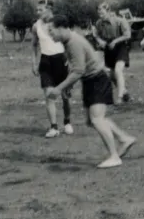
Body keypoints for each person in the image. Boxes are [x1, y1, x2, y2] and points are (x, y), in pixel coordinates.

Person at [46, 14, 136, 169]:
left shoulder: (73, 42)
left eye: (51, 30)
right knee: (92, 120)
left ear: (61, 28)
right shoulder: (68, 41)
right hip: (90, 81)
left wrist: (59, 88)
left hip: (97, 80)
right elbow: (76, 67)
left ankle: (114, 156)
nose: (49, 34)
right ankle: (124, 139)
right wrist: (68, 86)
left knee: (97, 119)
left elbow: (78, 70)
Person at [31, 1, 73, 138]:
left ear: (49, 9)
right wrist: (34, 63)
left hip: (61, 60)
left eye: (40, 9)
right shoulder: (36, 26)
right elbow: (33, 46)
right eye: (37, 10)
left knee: (65, 96)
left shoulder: (59, 22)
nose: (38, 12)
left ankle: (67, 121)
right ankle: (54, 127)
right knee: (49, 95)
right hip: (45, 61)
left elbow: (69, 41)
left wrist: (70, 61)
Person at [92, 3, 133, 103]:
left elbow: (127, 35)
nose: (100, 14)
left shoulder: (120, 21)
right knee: (111, 75)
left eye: (102, 11)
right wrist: (99, 41)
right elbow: (96, 35)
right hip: (108, 49)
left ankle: (119, 98)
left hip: (121, 48)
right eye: (98, 12)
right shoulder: (98, 23)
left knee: (118, 70)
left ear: (108, 11)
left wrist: (115, 41)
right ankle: (125, 93)